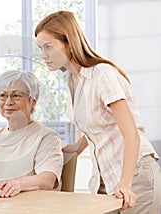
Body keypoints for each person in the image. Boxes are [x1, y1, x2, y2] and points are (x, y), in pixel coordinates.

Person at [35, 10, 161, 213]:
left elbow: (132, 136)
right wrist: (78, 147)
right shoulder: (73, 80)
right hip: (106, 177)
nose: (43, 55)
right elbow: (98, 120)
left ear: (69, 42)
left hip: (134, 177)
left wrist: (126, 185)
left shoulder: (102, 74)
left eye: (49, 47)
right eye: (41, 48)